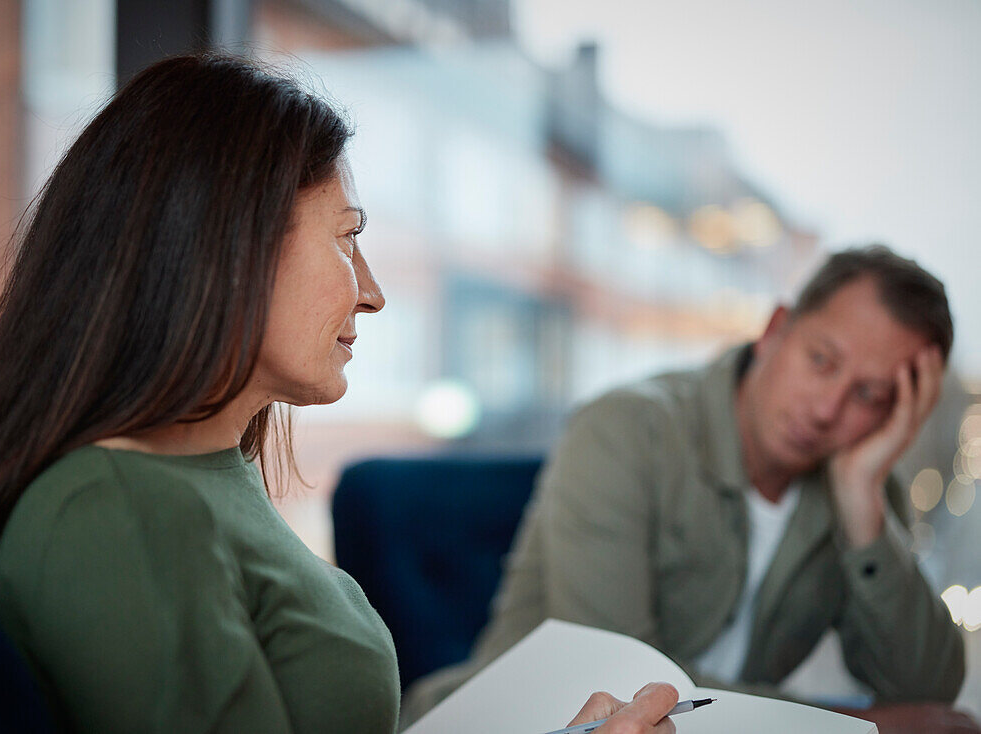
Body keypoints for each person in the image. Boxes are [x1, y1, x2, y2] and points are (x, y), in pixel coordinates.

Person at [0, 54, 677, 734]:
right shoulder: (115, 510)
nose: (371, 294)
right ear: (235, 242)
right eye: (347, 238)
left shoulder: (201, 479)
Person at [405, 246, 976, 733]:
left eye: (868, 396)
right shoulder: (626, 430)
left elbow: (929, 693)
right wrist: (862, 724)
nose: (828, 409)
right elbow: (619, 685)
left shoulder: (863, 491)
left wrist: (861, 500)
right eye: (821, 360)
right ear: (775, 330)